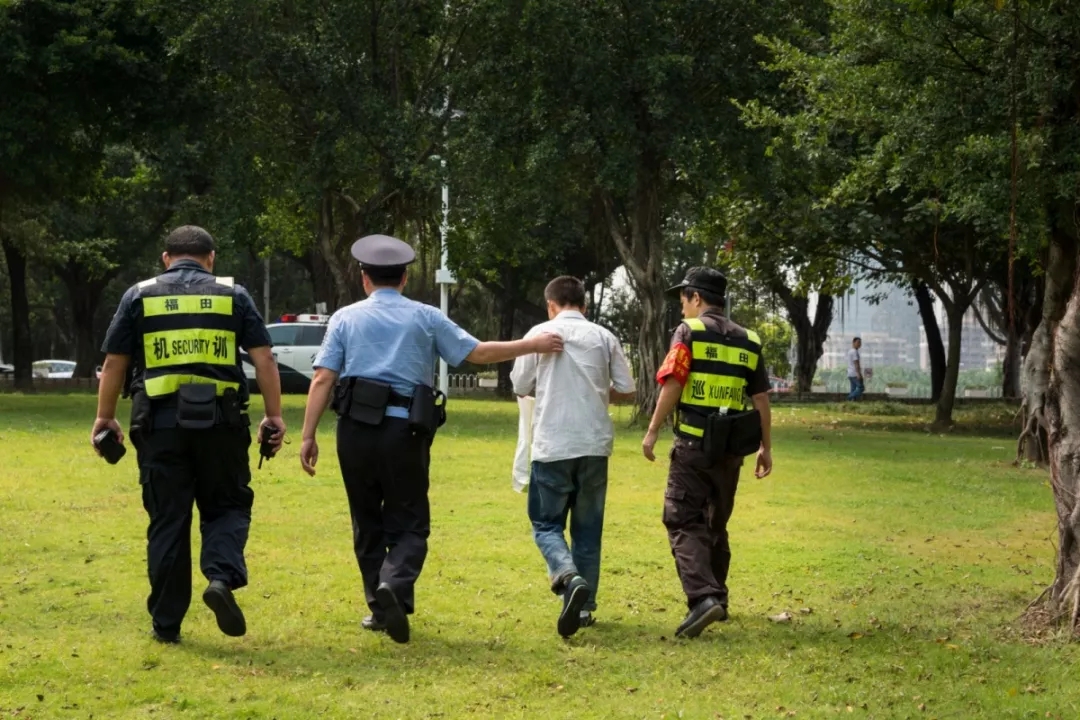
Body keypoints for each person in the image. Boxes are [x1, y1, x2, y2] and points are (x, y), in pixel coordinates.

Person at [298, 234, 564, 644]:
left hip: (355, 432)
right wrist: (533, 344)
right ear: (405, 278)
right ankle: (394, 585)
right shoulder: (425, 316)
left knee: (366, 521)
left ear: (364, 278)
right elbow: (477, 353)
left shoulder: (345, 319)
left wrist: (308, 435)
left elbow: (322, 378)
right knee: (410, 522)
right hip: (405, 432)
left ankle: (381, 606)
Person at [92, 225, 285, 644]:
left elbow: (114, 364)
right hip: (222, 425)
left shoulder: (138, 296)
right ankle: (220, 578)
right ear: (211, 258)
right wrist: (274, 416)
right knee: (227, 506)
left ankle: (166, 625)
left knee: (168, 521)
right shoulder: (234, 295)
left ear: (166, 258)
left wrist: (105, 418)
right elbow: (265, 359)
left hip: (159, 427)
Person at [641, 267, 773, 639]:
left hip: (693, 446)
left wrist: (652, 430)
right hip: (731, 451)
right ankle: (719, 599)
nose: (681, 308)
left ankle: (703, 597)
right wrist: (766, 447)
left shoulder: (689, 332)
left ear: (696, 298)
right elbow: (761, 399)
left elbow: (673, 383)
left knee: (682, 518)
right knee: (715, 522)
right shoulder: (750, 340)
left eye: (683, 299)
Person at [510, 276, 636, 638]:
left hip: (553, 444)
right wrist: (595, 390)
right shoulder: (604, 337)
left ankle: (567, 575)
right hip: (594, 445)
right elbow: (627, 389)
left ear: (551, 305)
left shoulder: (539, 333)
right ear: (584, 304)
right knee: (588, 531)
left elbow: (520, 385)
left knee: (546, 523)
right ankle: (582, 609)